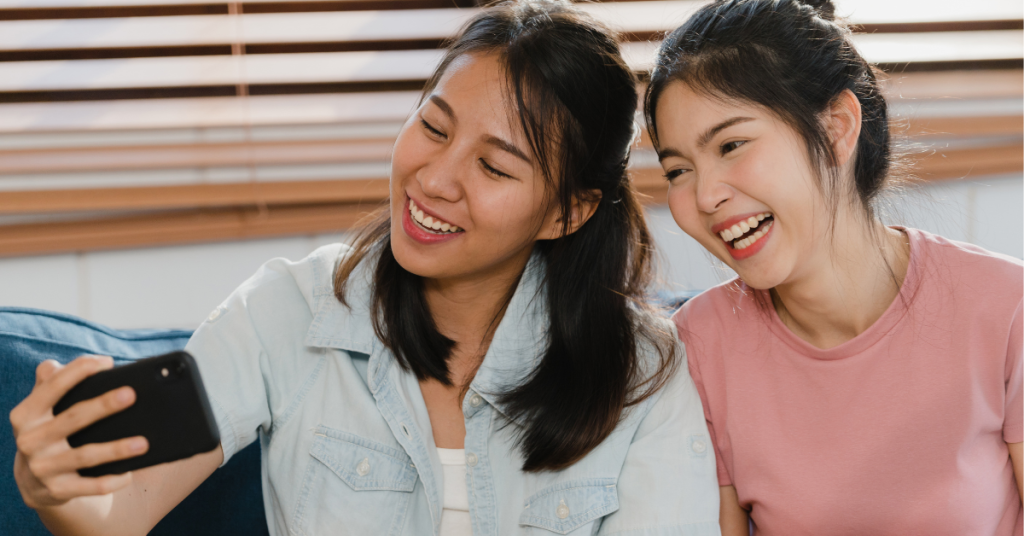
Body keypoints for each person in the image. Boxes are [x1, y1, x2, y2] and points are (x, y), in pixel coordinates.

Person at [10, 2, 721, 535]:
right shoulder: (288, 311)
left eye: (494, 165)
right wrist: (60, 489)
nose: (435, 178)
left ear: (566, 212)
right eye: (433, 127)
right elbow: (117, 514)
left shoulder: (642, 375)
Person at [643, 0, 1023, 534]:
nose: (705, 196)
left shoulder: (1006, 310)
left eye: (731, 144)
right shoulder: (699, 346)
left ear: (838, 127)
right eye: (678, 170)